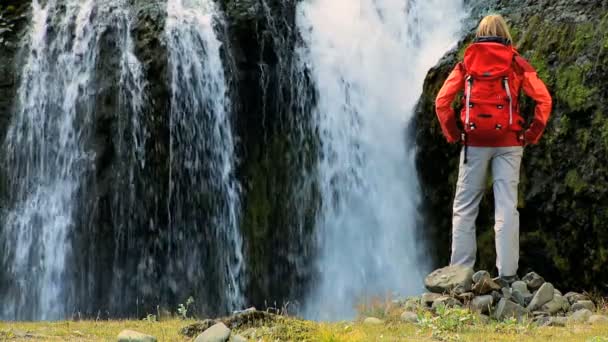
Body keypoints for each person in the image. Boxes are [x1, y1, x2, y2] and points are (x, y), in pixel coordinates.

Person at [435, 14, 552, 281]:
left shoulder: (466, 63)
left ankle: (459, 273)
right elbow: (544, 99)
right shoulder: (516, 62)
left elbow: (442, 101)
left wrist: (454, 134)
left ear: (480, 33)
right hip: (510, 143)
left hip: (473, 143)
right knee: (506, 207)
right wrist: (531, 134)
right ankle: (508, 276)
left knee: (465, 208)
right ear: (505, 33)